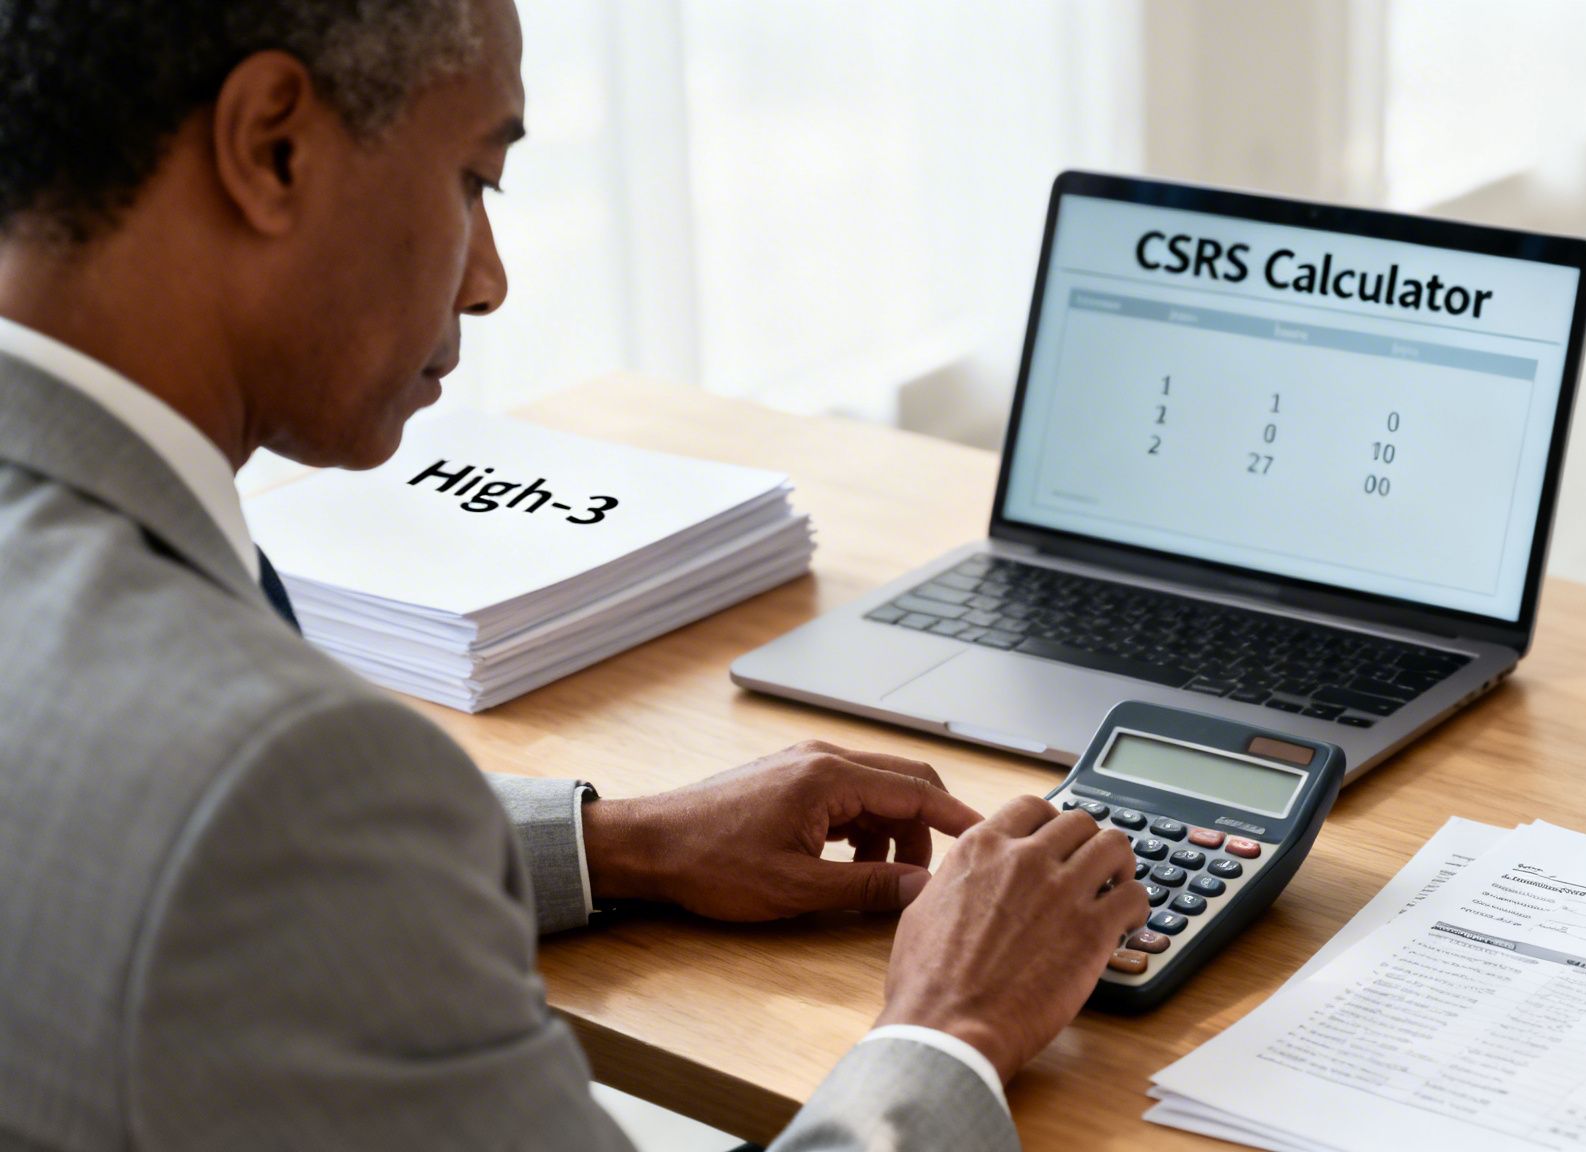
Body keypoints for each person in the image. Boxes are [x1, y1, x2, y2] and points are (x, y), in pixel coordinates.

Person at [0, 0, 1150, 1148]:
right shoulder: (280, 780)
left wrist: (623, 844)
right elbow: (257, 841)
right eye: (473, 181)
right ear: (273, 148)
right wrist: (952, 1027)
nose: (488, 281)